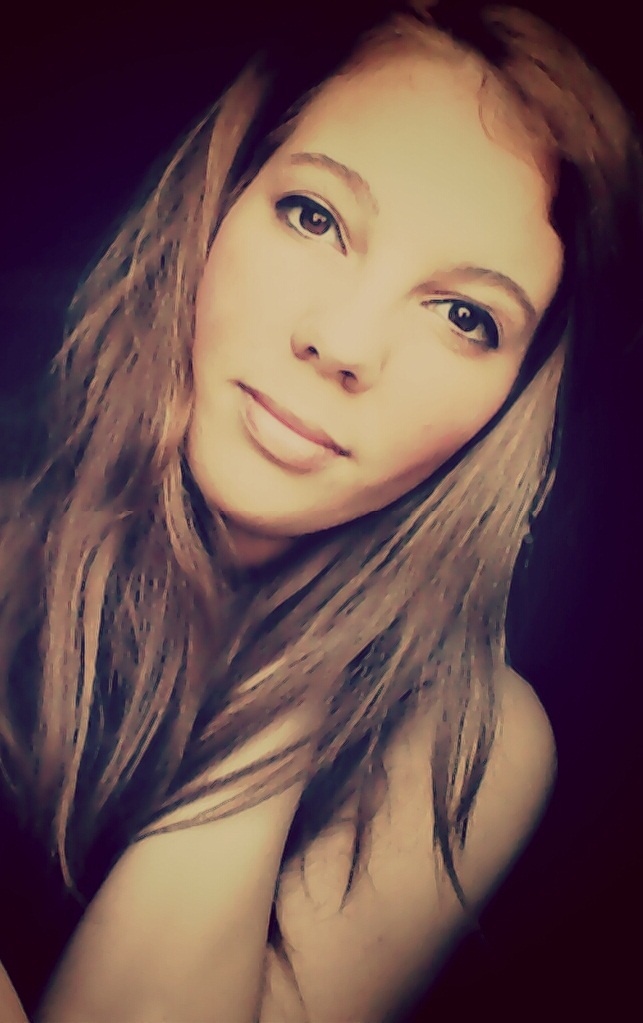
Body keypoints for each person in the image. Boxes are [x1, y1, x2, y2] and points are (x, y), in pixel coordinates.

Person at [0, 1, 640, 1020]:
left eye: (464, 315)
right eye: (314, 216)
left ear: (514, 403)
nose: (342, 342)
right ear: (218, 204)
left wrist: (305, 680)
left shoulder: (470, 743)